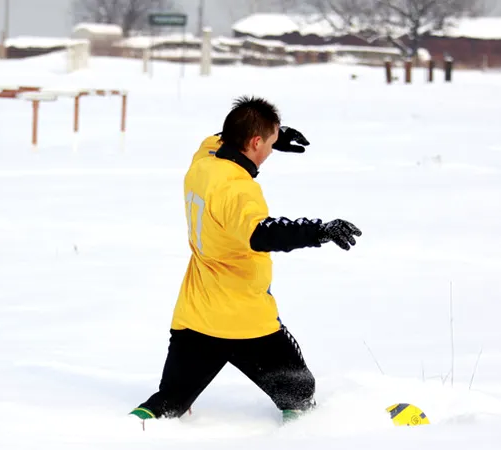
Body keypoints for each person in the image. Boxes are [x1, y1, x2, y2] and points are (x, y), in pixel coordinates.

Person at [129, 95, 362, 426]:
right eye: (267, 143)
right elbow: (262, 234)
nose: (269, 151)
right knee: (300, 395)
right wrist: (319, 231)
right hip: (249, 323)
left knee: (168, 402)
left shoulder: (203, 162)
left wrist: (275, 134)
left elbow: (220, 137)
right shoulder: (237, 190)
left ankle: (120, 433)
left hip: (197, 317)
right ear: (254, 142)